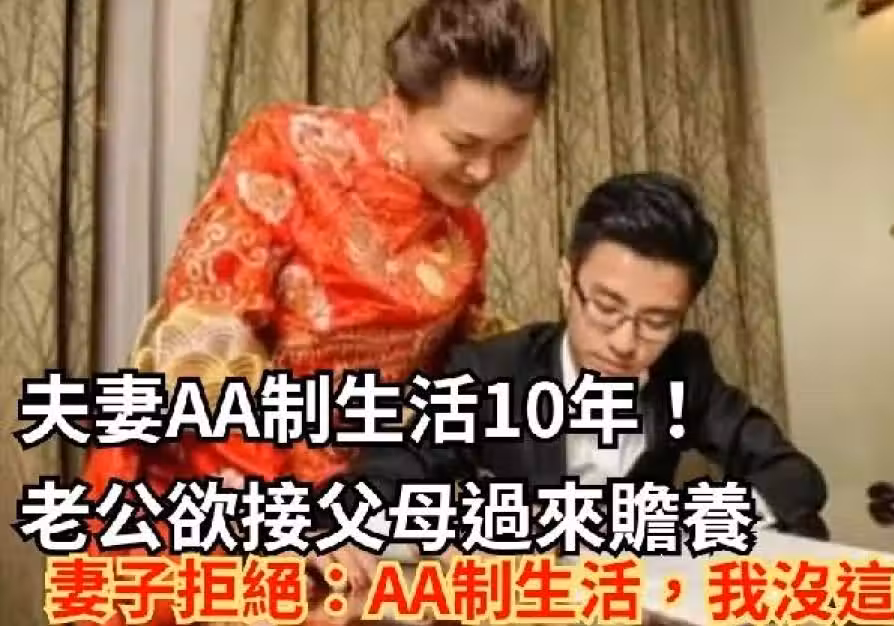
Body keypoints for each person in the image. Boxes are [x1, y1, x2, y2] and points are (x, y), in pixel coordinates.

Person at [76, 0, 552, 623]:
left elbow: (464, 370)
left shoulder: (464, 232)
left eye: (512, 146)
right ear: (400, 103)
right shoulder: (289, 151)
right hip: (222, 481)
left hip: (351, 512)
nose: (485, 170)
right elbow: (208, 340)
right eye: (462, 143)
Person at [329, 170, 829, 587]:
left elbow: (793, 476)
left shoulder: (684, 368)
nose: (625, 343)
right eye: (607, 308)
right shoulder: (492, 372)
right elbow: (385, 475)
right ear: (567, 281)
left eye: (657, 321)